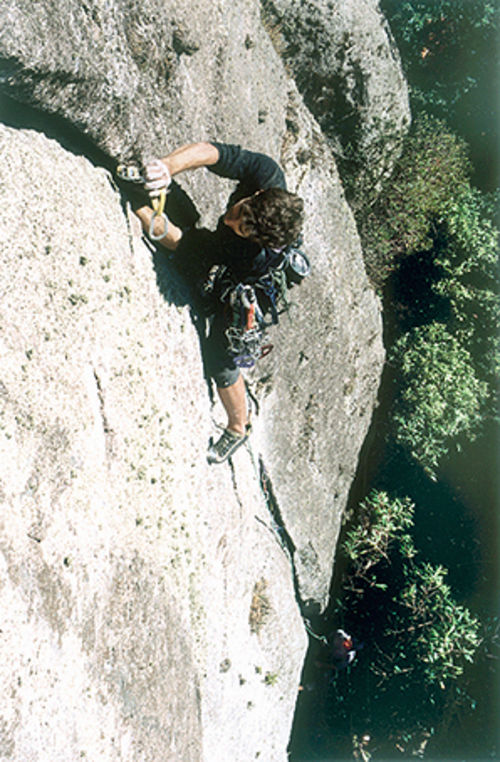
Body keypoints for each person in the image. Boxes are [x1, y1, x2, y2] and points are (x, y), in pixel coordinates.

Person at [119, 142, 304, 464]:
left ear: (257, 239)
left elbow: (187, 246)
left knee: (220, 357)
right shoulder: (267, 174)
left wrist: (142, 211)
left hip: (243, 286)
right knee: (170, 196)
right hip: (225, 250)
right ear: (259, 195)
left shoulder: (253, 256)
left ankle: (238, 427)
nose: (233, 221)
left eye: (244, 228)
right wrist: (166, 167)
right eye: (242, 211)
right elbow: (214, 153)